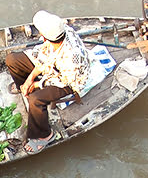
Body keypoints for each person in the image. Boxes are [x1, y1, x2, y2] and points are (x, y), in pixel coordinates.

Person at [5, 10, 90, 154]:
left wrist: (37, 84)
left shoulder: (72, 57)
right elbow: (45, 58)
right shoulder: (58, 35)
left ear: (44, 36)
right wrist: (29, 80)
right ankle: (23, 87)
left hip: (68, 81)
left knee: (36, 99)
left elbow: (63, 80)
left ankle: (44, 135)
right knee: (12, 60)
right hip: (55, 67)